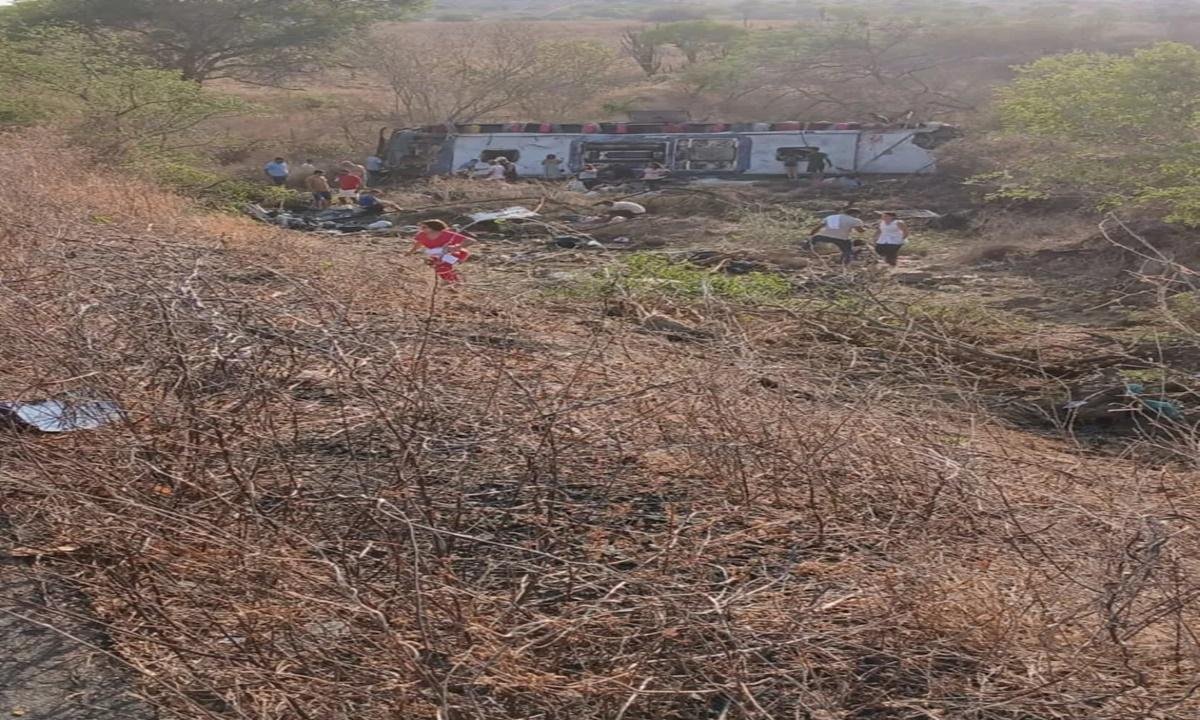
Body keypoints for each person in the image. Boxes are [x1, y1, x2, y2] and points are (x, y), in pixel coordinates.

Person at [411, 219, 471, 286]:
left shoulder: (447, 234)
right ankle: (452, 281)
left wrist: (457, 246)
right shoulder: (422, 234)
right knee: (437, 266)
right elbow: (419, 243)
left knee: (442, 266)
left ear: (433, 228)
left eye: (424, 227)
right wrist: (411, 252)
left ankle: (454, 283)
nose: (421, 229)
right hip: (437, 254)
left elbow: (470, 241)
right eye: (421, 227)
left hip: (456, 253)